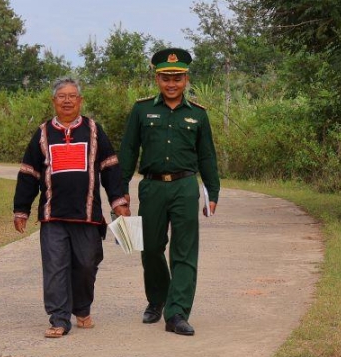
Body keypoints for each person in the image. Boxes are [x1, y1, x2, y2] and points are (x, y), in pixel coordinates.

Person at [13, 77, 130, 338]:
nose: (67, 100)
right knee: (55, 266)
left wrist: (118, 201)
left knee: (87, 264)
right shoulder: (43, 133)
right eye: (61, 96)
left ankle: (82, 308)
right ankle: (59, 318)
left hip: (87, 216)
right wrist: (21, 209)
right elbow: (29, 173)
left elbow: (110, 167)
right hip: (52, 216)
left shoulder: (94, 131)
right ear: (54, 101)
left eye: (72, 96)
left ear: (80, 101)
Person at [118, 48, 219, 336]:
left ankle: (177, 313)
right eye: (165, 78)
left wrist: (212, 193)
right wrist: (119, 193)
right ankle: (157, 298)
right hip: (150, 187)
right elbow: (127, 152)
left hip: (185, 187)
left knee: (184, 251)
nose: (171, 84)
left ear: (186, 79)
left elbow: (207, 157)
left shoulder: (198, 115)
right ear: (157, 79)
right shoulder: (141, 110)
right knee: (149, 247)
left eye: (177, 78)